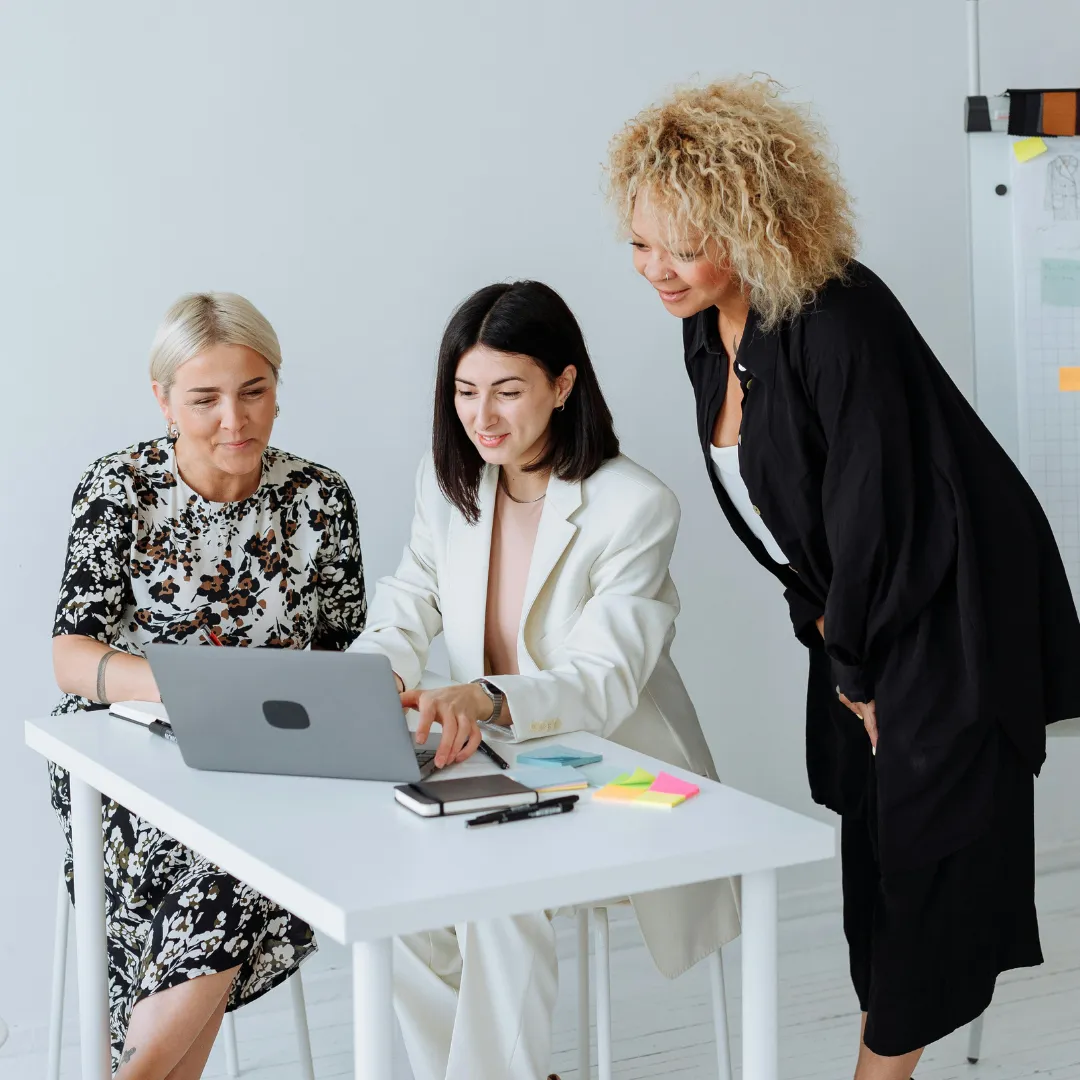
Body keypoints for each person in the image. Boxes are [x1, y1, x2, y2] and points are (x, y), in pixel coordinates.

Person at [606, 76, 1080, 1079]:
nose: (657, 268)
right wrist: (833, 643)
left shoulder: (835, 320)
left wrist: (859, 672)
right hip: (860, 612)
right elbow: (786, 518)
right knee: (872, 845)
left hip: (951, 602)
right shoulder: (707, 327)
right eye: (641, 242)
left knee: (924, 853)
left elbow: (878, 519)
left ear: (751, 219)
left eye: (681, 244)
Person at [356, 280, 740, 1080]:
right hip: (494, 764)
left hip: (612, 765)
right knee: (403, 907)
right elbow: (406, 605)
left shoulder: (633, 506)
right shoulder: (449, 481)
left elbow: (602, 680)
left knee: (496, 895)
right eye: (464, 391)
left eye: (507, 390)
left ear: (563, 386)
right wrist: (369, 686)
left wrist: (487, 697)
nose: (482, 416)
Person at [50, 292, 367, 1079]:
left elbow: (346, 652)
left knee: (243, 848)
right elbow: (70, 654)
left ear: (277, 386)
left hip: (273, 762)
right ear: (162, 400)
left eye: (254, 391)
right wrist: (183, 690)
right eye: (205, 398)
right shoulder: (119, 488)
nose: (236, 419)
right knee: (229, 858)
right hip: (125, 759)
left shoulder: (321, 499)